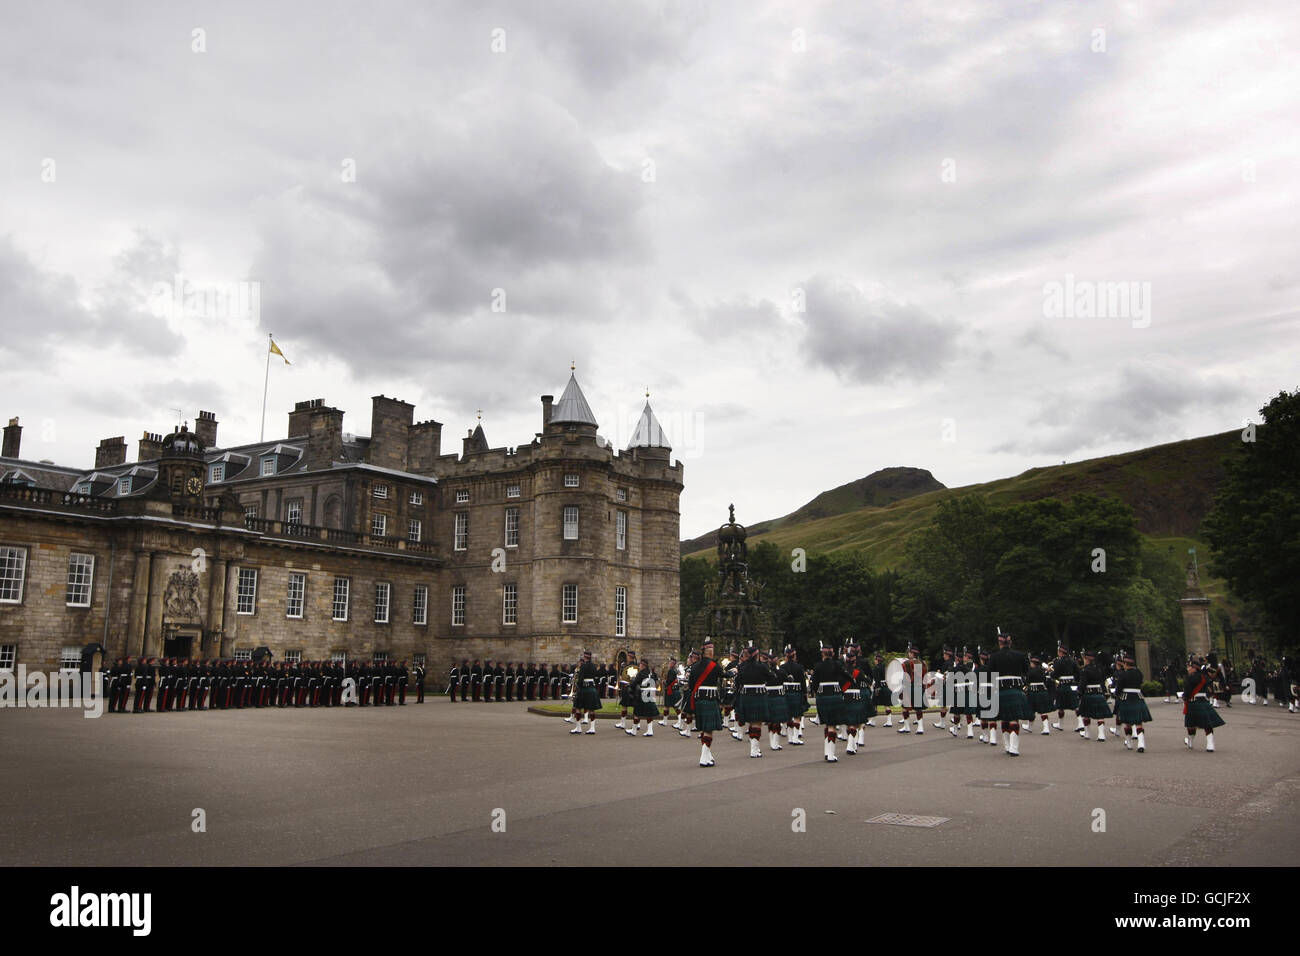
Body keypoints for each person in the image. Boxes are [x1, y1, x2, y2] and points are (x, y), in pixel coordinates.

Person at [989, 631, 1034, 756]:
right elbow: (1027, 671)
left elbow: (989, 676)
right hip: (1016, 690)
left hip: (1001, 691)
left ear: (999, 643)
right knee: (1014, 719)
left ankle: (1007, 746)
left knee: (1004, 718)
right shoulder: (1020, 655)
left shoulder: (994, 657)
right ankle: (1014, 748)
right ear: (1010, 642)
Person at [688, 640, 724, 766]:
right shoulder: (714, 665)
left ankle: (708, 755)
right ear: (710, 652)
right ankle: (703, 757)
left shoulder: (695, 666)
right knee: (709, 730)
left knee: (704, 729)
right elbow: (724, 675)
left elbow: (691, 685)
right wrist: (734, 671)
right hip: (710, 698)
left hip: (698, 698)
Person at [811, 643, 849, 762]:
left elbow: (814, 684)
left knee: (828, 724)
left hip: (822, 696)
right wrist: (842, 689)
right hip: (835, 695)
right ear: (832, 653)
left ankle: (827, 752)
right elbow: (847, 677)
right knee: (832, 725)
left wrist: (818, 692)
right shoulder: (837, 665)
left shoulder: (817, 666)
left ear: (822, 653)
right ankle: (831, 754)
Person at [734, 644, 769, 757]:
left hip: (746, 695)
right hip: (758, 695)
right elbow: (770, 678)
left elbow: (737, 681)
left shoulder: (742, 667)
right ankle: (754, 749)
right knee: (757, 722)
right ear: (756, 655)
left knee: (751, 721)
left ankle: (754, 748)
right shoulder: (762, 667)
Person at [1113, 651, 1151, 751]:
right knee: (1139, 722)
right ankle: (1141, 743)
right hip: (1138, 697)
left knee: (1127, 722)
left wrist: (1116, 694)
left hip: (1126, 698)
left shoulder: (1123, 675)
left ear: (1125, 664)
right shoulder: (1139, 673)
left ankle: (1129, 743)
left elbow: (1119, 689)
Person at [1183, 658, 1225, 750]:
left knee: (1191, 724)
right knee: (1207, 725)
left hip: (1193, 702)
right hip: (1204, 702)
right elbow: (1209, 690)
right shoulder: (1204, 677)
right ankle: (1210, 745)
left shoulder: (1189, 677)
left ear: (1194, 668)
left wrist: (1184, 697)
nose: (1188, 668)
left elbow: (1187, 692)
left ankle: (1190, 742)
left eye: (1189, 667)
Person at [1077, 649, 1113, 741]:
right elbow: (1103, 681)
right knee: (1100, 716)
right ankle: (1101, 735)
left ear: (1087, 659)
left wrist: (1079, 692)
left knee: (1086, 714)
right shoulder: (1100, 669)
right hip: (1099, 693)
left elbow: (1082, 684)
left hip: (1088, 694)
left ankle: (1087, 733)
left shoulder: (1085, 670)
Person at [1050, 642, 1083, 732]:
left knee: (1060, 705)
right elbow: (1078, 673)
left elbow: (1055, 674)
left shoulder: (1058, 661)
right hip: (1072, 685)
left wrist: (1051, 673)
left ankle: (1060, 724)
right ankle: (1080, 723)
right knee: (1075, 705)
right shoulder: (1073, 661)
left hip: (1063, 685)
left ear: (1060, 652)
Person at [778, 645, 807, 745]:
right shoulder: (799, 667)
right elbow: (803, 682)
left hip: (785, 692)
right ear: (794, 656)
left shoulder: (782, 667)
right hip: (796, 692)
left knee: (788, 715)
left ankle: (790, 738)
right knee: (797, 716)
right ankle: (795, 737)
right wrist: (804, 693)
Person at [762, 649, 788, 752]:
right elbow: (787, 680)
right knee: (777, 721)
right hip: (778, 695)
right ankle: (775, 743)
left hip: (768, 695)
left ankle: (772, 741)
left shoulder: (766, 672)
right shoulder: (781, 672)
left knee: (770, 721)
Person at [569, 651, 601, 734]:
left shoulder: (583, 666)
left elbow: (580, 678)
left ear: (584, 657)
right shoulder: (594, 666)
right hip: (592, 688)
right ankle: (592, 728)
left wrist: (577, 687)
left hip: (583, 689)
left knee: (578, 708)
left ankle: (578, 728)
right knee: (592, 709)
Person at [897, 643, 926, 734]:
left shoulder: (905, 664)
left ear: (912, 654)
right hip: (919, 686)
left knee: (905, 708)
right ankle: (920, 727)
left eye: (909, 653)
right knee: (918, 708)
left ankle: (907, 727)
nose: (908, 654)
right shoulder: (923, 663)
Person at [628, 658, 659, 736]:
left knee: (636, 712)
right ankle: (650, 730)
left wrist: (630, 685)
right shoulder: (650, 673)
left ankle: (634, 730)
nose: (639, 666)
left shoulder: (641, 673)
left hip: (642, 694)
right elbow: (655, 681)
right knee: (649, 713)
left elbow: (634, 683)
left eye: (640, 664)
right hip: (650, 694)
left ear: (643, 665)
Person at [1024, 653, 1053, 735]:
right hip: (1042, 691)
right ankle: (1046, 728)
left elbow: (1027, 681)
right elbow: (1045, 680)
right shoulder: (1042, 671)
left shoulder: (1030, 671)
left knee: (1031, 710)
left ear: (1033, 663)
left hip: (1033, 692)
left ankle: (1030, 727)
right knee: (1043, 710)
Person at [932, 646, 956, 729]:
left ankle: (942, 723)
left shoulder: (946, 663)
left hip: (947, 686)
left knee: (943, 705)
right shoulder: (954, 663)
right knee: (955, 704)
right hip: (954, 686)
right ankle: (957, 723)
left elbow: (943, 676)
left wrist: (937, 673)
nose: (943, 656)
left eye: (944, 654)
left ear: (947, 655)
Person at [659, 657, 685, 729]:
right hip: (671, 690)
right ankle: (664, 721)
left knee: (676, 707)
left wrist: (664, 681)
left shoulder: (671, 671)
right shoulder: (674, 670)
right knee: (666, 706)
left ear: (672, 663)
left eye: (670, 662)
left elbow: (669, 681)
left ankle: (679, 721)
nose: (669, 664)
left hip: (672, 691)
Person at [614, 653, 638, 729]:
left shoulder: (629, 666)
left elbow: (626, 677)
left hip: (627, 686)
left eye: (627, 656)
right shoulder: (635, 665)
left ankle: (623, 723)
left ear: (629, 657)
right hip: (634, 688)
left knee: (624, 705)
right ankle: (637, 724)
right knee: (635, 706)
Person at [869, 652, 892, 727]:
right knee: (887, 704)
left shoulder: (876, 668)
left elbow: (877, 679)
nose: (874, 661)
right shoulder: (885, 667)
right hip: (886, 686)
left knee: (874, 704)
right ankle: (889, 721)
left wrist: (877, 689)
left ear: (877, 660)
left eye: (875, 659)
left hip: (879, 687)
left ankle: (872, 721)